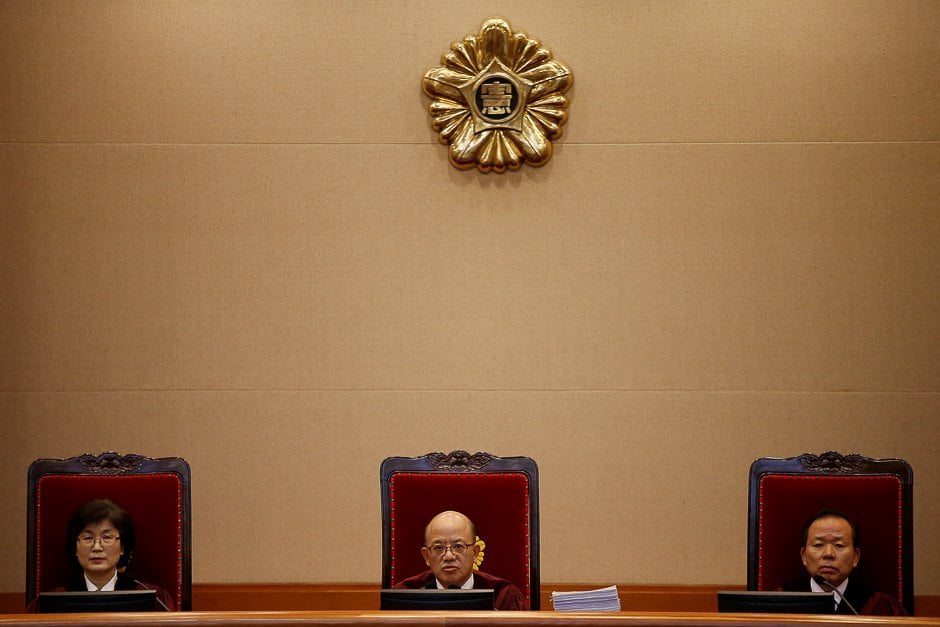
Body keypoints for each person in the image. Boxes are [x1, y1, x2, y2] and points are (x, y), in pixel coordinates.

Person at [29, 499, 175, 611]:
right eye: (87, 538)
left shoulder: (155, 599)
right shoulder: (47, 604)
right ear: (75, 547)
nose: (97, 547)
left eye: (107, 538)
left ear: (122, 546)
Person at [393, 510, 528, 610]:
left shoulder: (503, 597)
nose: (449, 556)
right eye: (439, 548)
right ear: (426, 556)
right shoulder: (404, 595)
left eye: (458, 546)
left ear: (475, 553)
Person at [782, 508, 905, 615]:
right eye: (818, 545)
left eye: (839, 545)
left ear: (855, 557)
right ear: (804, 556)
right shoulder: (780, 601)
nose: (829, 554)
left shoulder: (880, 607)